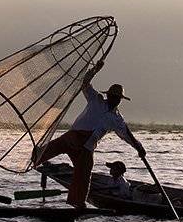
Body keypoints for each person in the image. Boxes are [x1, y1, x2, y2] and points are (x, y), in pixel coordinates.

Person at [30, 60, 146, 209]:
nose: (114, 100)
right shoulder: (96, 99)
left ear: (120, 100)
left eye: (117, 98)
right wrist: (95, 69)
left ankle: (77, 203)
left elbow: (128, 135)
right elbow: (84, 82)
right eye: (112, 96)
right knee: (49, 149)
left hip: (87, 147)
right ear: (108, 96)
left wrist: (139, 149)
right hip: (74, 137)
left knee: (83, 174)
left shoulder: (117, 119)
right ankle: (32, 160)